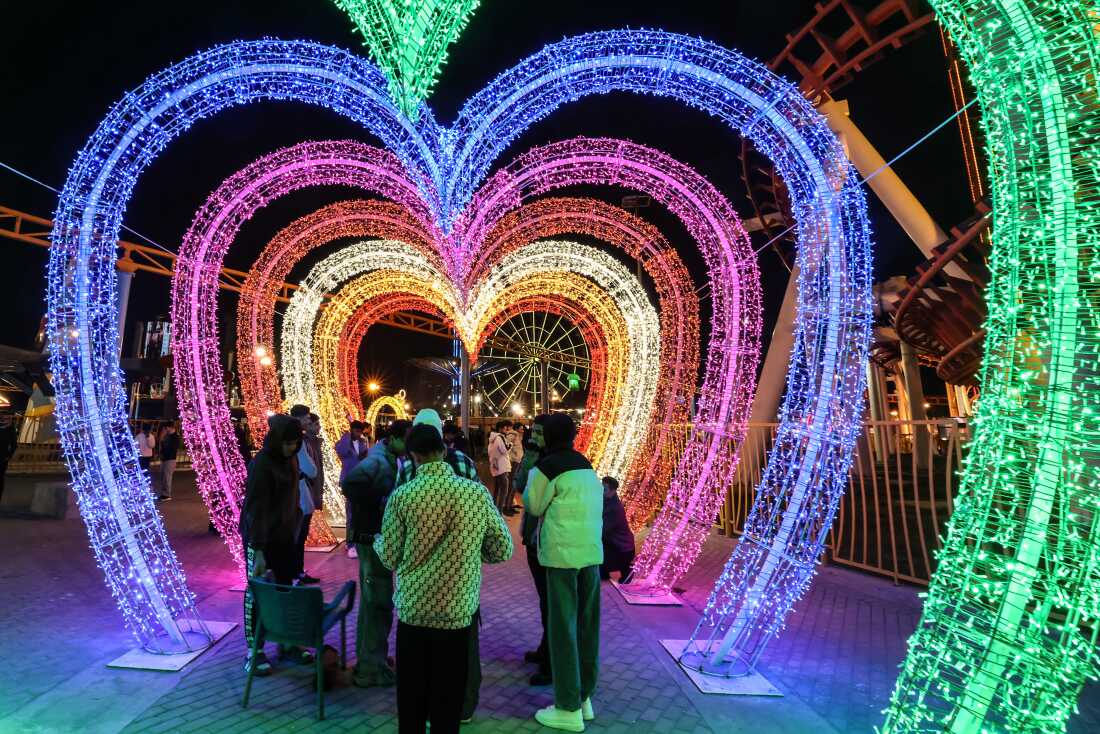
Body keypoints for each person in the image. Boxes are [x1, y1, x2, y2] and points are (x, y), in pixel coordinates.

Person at [374, 423, 513, 733]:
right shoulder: (475, 493)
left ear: (413, 456)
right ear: (443, 449)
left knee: (411, 695)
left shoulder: (403, 496)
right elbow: (502, 549)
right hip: (457, 611)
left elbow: (390, 557)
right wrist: (469, 552)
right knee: (448, 697)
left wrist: (378, 542)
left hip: (414, 610)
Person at [396, 410, 482, 722]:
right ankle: (462, 706)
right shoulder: (466, 466)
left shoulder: (407, 471)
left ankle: (424, 711)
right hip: (460, 580)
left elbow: (392, 543)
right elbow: (499, 544)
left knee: (416, 660)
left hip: (416, 587)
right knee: (463, 649)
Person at [523, 413, 603, 732]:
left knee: (563, 631)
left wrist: (532, 468)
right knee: (587, 628)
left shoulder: (547, 467)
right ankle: (584, 698)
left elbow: (533, 505)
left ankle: (567, 707)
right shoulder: (586, 465)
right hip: (591, 555)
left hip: (561, 558)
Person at [239, 414, 311, 676]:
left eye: (295, 443)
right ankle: (254, 650)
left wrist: (294, 526)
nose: (292, 448)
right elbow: (255, 508)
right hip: (260, 538)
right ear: (276, 439)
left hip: (284, 538)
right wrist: (258, 549)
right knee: (257, 594)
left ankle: (286, 642)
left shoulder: (290, 459)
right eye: (288, 443)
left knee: (284, 590)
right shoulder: (262, 463)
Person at [341, 419, 411, 689]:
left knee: (376, 600)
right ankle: (370, 668)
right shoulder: (378, 460)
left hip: (373, 538)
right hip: (371, 539)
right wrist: (380, 503)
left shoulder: (388, 458)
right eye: (405, 441)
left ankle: (372, 659)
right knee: (377, 601)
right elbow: (350, 485)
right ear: (393, 438)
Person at [516, 415, 551, 685]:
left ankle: (551, 658)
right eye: (534, 431)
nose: (535, 437)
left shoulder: (553, 464)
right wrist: (529, 456)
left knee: (551, 603)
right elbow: (519, 485)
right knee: (544, 600)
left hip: (547, 541)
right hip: (532, 538)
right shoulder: (534, 458)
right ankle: (545, 648)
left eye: (540, 433)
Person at [288, 405, 321, 585]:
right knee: (298, 537)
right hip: (298, 493)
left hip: (297, 492)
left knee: (298, 537)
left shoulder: (297, 439)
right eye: (307, 418)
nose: (309, 421)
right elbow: (311, 469)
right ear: (299, 418)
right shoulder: (298, 440)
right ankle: (295, 573)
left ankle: (296, 572)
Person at [335, 420, 370, 558]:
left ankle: (354, 542)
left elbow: (364, 459)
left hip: (359, 481)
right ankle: (350, 544)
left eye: (360, 431)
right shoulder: (344, 442)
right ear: (351, 430)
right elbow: (341, 451)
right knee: (351, 514)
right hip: (349, 481)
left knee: (357, 513)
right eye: (356, 431)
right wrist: (347, 437)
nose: (359, 434)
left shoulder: (362, 443)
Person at [598, 477, 635, 582]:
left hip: (622, 549)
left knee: (607, 568)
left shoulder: (614, 508)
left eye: (604, 489)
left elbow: (602, 531)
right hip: (617, 545)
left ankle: (626, 572)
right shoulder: (607, 500)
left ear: (613, 491)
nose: (600, 491)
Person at [488, 421, 513, 514]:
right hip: (502, 466)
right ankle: (499, 512)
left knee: (497, 489)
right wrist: (511, 444)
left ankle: (495, 511)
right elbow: (504, 450)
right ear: (501, 428)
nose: (507, 430)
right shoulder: (500, 437)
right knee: (504, 490)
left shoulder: (492, 438)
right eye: (506, 428)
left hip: (495, 466)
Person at [157, 423, 180, 501]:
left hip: (170, 459)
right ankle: (164, 493)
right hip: (165, 459)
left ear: (169, 428)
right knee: (163, 477)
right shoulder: (167, 436)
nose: (164, 430)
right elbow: (161, 445)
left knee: (167, 477)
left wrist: (163, 438)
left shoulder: (175, 437)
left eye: (165, 428)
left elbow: (171, 448)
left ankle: (167, 495)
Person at [0, 410, 16, 505]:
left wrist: (8, 456)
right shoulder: (10, 428)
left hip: (2, 457)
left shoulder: (10, 429)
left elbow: (14, 444)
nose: (6, 419)